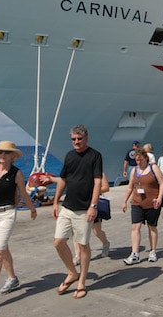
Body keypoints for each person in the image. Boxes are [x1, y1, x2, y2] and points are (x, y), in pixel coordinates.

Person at [0, 141, 37, 311]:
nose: (2, 156)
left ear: (12, 156)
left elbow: (23, 192)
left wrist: (32, 208)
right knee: (1, 249)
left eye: (6, 153)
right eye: (0, 153)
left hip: (7, 214)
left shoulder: (16, 173)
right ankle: (13, 279)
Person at [51, 125, 103, 299]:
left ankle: (82, 281)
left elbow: (97, 182)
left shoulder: (95, 156)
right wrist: (55, 202)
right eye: (73, 139)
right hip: (67, 206)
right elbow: (63, 179)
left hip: (84, 209)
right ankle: (72, 273)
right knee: (59, 242)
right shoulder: (69, 156)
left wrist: (93, 206)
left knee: (82, 246)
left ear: (86, 138)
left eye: (79, 139)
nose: (76, 142)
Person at [41, 172, 111, 264]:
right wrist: (51, 179)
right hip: (78, 205)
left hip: (92, 205)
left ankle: (105, 243)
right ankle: (78, 255)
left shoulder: (99, 172)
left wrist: (90, 191)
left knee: (96, 231)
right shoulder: (78, 170)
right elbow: (65, 180)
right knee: (76, 231)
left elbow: (106, 187)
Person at [121, 148, 163, 264]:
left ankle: (153, 251)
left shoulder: (153, 168)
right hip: (137, 203)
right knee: (135, 227)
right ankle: (135, 254)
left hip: (152, 203)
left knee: (152, 227)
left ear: (146, 159)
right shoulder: (134, 170)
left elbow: (162, 183)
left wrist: (160, 198)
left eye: (140, 160)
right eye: (136, 160)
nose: (139, 162)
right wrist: (124, 201)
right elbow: (130, 187)